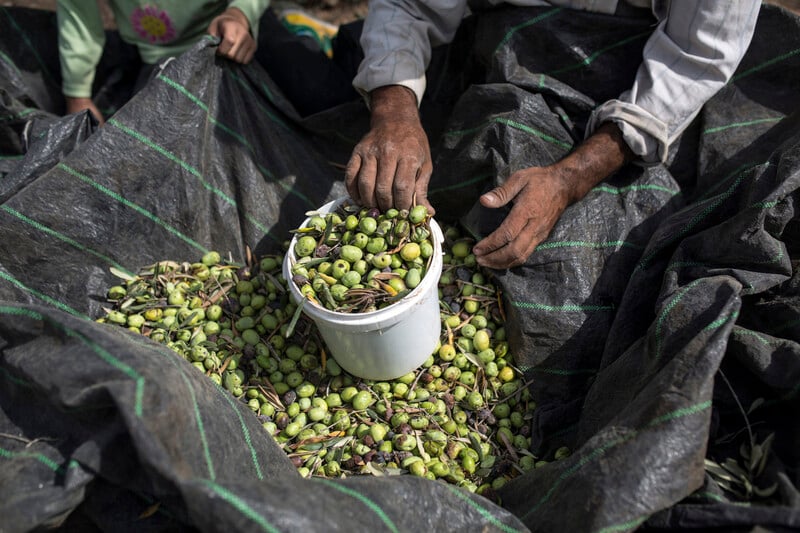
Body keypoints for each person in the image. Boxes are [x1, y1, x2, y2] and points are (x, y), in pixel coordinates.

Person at [344, 0, 762, 269]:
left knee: (580, 263)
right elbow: (408, 5)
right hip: (494, 28)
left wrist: (569, 179)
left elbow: (697, 57)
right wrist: (393, 111)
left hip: (631, 63)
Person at [57, 0, 271, 125]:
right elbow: (78, 14)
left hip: (222, 50)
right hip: (153, 58)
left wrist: (239, 14)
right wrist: (78, 95)